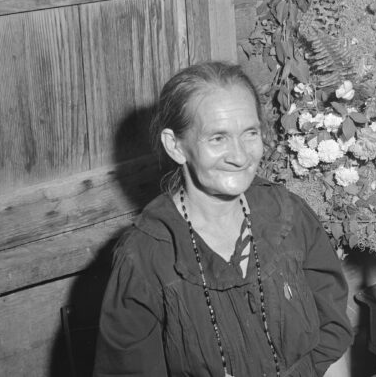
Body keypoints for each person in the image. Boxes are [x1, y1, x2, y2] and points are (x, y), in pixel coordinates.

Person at [94, 62, 352, 377]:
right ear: (175, 146)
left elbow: (332, 345)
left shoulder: (290, 217)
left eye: (250, 133)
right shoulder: (145, 258)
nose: (240, 155)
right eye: (218, 138)